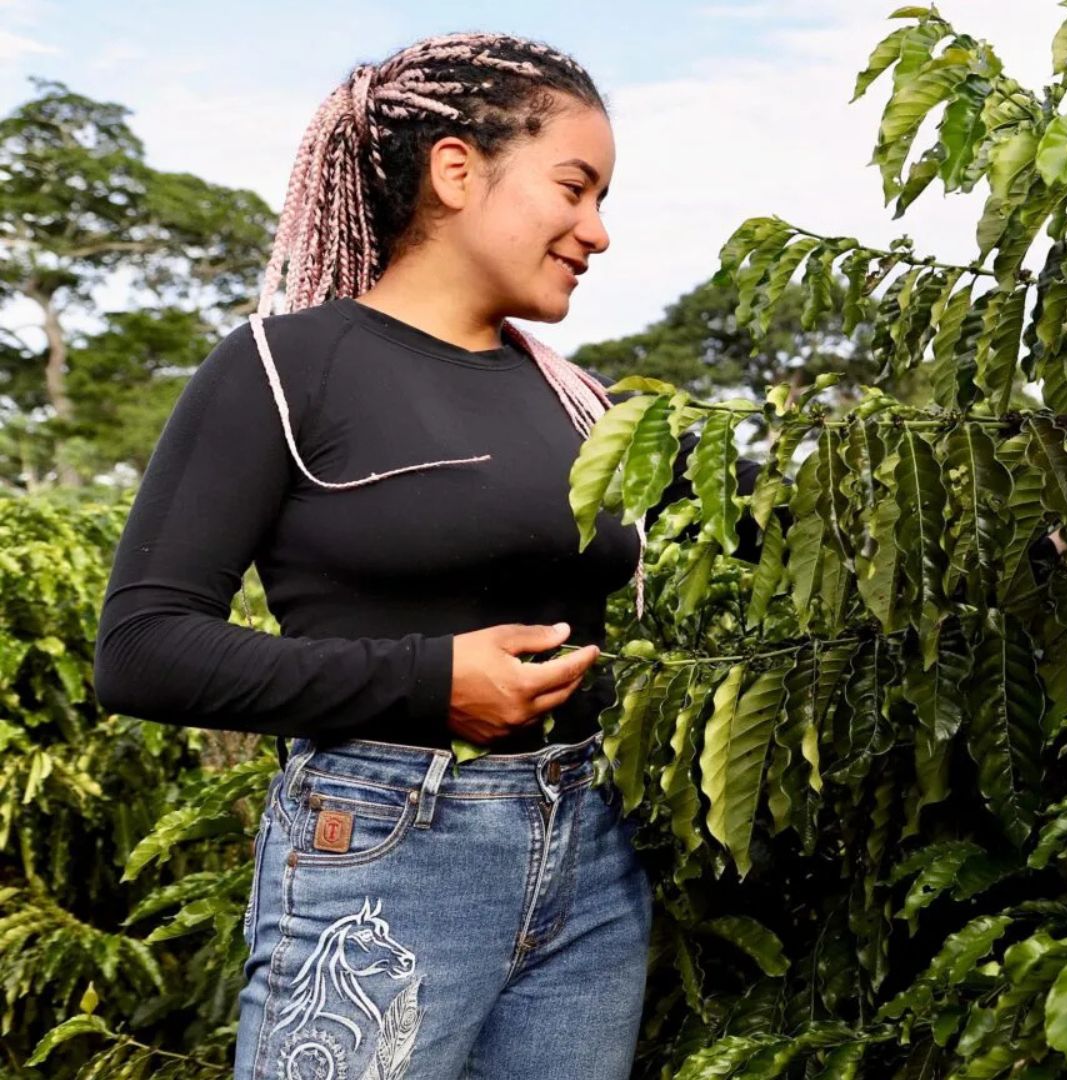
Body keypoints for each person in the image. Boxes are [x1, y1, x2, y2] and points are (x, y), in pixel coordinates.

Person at [92, 33, 656, 1079]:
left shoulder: (579, 400)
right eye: (575, 188)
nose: (599, 231)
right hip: (387, 858)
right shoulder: (283, 368)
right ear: (455, 170)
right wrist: (428, 681)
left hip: (590, 858)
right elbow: (142, 649)